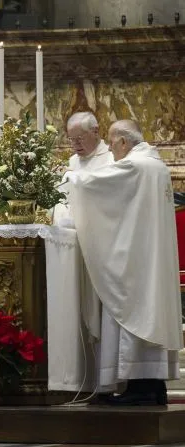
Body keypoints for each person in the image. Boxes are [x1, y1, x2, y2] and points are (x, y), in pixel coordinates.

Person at [64, 120, 182, 405]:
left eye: (113, 144)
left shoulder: (135, 165)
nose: (112, 151)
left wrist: (68, 177)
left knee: (132, 312)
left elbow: (96, 185)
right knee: (148, 314)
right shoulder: (157, 166)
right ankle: (153, 387)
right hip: (148, 257)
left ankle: (138, 390)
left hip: (135, 262)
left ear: (123, 142)